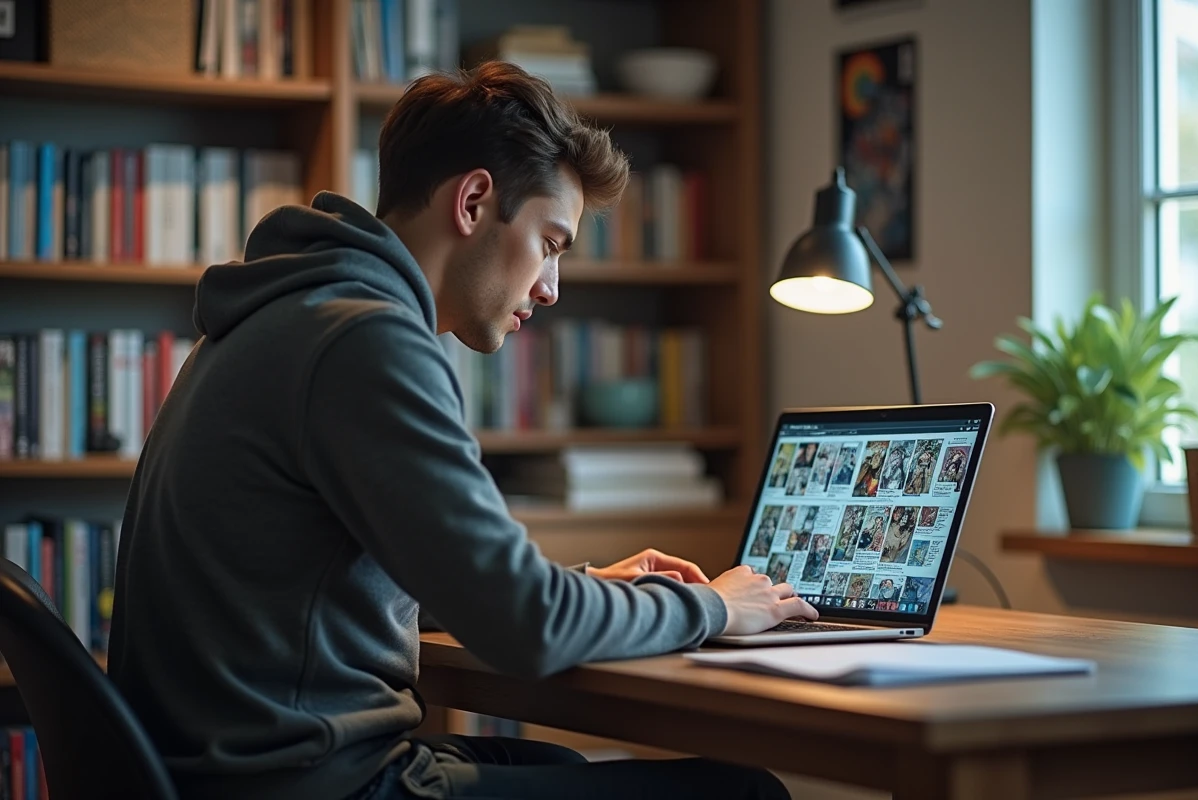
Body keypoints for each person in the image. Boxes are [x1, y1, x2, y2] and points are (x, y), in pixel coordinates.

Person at [107, 63, 816, 800]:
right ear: (474, 201)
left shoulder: (285, 313)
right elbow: (525, 628)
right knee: (743, 793)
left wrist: (574, 589)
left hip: (226, 773)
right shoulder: (365, 342)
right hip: (310, 784)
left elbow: (418, 580)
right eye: (549, 243)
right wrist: (719, 607)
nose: (550, 288)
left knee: (564, 770)